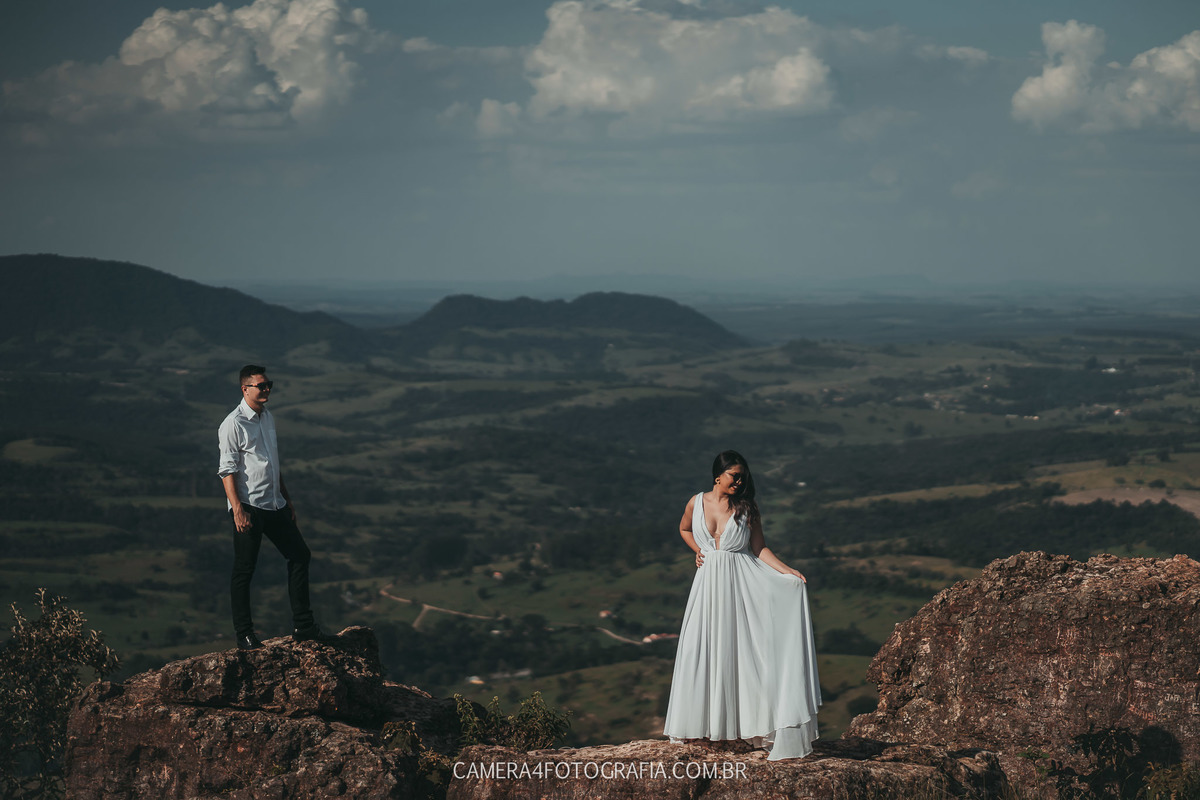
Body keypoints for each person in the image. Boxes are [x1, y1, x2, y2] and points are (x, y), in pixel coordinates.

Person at [663, 450, 821, 760]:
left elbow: (759, 548)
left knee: (744, 653)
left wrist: (787, 571)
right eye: (735, 475)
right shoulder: (696, 503)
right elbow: (683, 528)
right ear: (718, 476)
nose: (740, 480)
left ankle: (749, 726)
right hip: (707, 586)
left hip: (740, 585)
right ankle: (701, 727)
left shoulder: (747, 508)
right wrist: (698, 550)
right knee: (701, 648)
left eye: (743, 476)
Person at [218, 364, 325, 650]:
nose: (266, 390)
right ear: (245, 389)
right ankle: (245, 635)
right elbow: (227, 470)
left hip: (274, 504)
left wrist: (286, 497)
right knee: (244, 570)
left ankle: (304, 626)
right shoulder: (233, 423)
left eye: (269, 385)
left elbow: (271, 463)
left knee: (300, 555)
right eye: (261, 386)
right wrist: (237, 509)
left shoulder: (267, 418)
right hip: (249, 508)